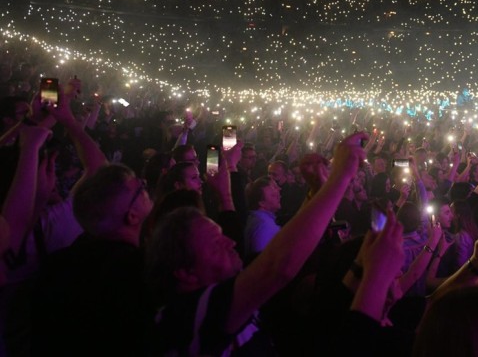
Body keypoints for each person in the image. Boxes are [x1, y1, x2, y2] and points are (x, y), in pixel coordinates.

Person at [146, 131, 367, 355]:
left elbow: (282, 245)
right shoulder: (188, 318)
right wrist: (341, 176)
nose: (231, 243)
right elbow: (278, 264)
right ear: (185, 272)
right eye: (216, 243)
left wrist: (315, 192)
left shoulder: (230, 296)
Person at [32, 164, 153, 355]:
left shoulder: (56, 265)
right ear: (132, 216)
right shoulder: (142, 271)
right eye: (141, 189)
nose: (145, 187)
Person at [244, 176, 282, 260]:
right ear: (262, 203)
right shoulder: (263, 226)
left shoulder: (259, 219)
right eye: (273, 195)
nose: (278, 196)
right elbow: (261, 261)